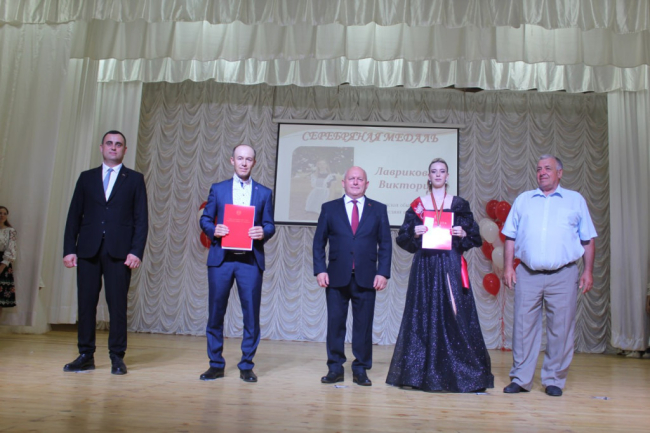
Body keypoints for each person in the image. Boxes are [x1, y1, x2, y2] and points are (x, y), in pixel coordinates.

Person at [385, 158, 494, 393]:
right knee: (422, 314)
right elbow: (403, 238)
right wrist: (414, 233)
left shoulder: (459, 204)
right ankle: (418, 374)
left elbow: (474, 237)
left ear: (447, 176)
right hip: (425, 264)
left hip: (450, 263)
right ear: (428, 176)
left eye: (442, 171)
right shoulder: (418, 205)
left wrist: (462, 232)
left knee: (454, 313)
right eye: (433, 171)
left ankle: (461, 373)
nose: (437, 174)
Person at [502, 155, 597, 397]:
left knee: (561, 328)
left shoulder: (575, 200)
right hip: (527, 273)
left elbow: (587, 239)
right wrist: (508, 267)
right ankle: (521, 379)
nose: (542, 172)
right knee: (523, 328)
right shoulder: (524, 200)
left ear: (560, 173)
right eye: (538, 169)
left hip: (563, 274)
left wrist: (588, 271)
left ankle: (554, 379)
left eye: (548, 168)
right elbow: (510, 236)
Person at [63, 130, 149, 375]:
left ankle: (117, 356)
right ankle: (85, 355)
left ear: (125, 150)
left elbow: (141, 219)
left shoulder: (134, 179)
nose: (113, 147)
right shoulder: (86, 177)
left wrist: (136, 251)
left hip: (119, 252)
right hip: (88, 250)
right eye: (109, 143)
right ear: (101, 147)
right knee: (86, 304)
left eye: (118, 144)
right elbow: (74, 215)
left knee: (117, 306)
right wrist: (69, 249)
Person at [199, 144, 275, 383]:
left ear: (254, 163)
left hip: (250, 261)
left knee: (251, 315)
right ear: (232, 161)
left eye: (248, 159)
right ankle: (215, 364)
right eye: (240, 158)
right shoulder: (218, 189)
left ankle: (246, 365)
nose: (244, 163)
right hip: (221, 259)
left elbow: (270, 224)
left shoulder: (264, 193)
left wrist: (263, 231)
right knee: (216, 313)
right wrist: (214, 229)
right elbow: (205, 219)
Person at [313, 166, 392, 386]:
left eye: (360, 179)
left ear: (367, 184)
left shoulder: (378, 209)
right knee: (335, 324)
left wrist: (383, 273)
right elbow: (319, 242)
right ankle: (335, 368)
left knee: (363, 326)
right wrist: (320, 269)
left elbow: (385, 244)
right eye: (351, 179)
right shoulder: (329, 208)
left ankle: (361, 369)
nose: (355, 182)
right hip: (336, 276)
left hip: (367, 277)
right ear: (343, 182)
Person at [0, 206, 17, 310]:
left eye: (4, 213)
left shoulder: (10, 231)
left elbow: (11, 249)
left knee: (0, 300)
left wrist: (2, 267)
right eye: (0, 213)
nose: (2, 215)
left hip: (3, 263)